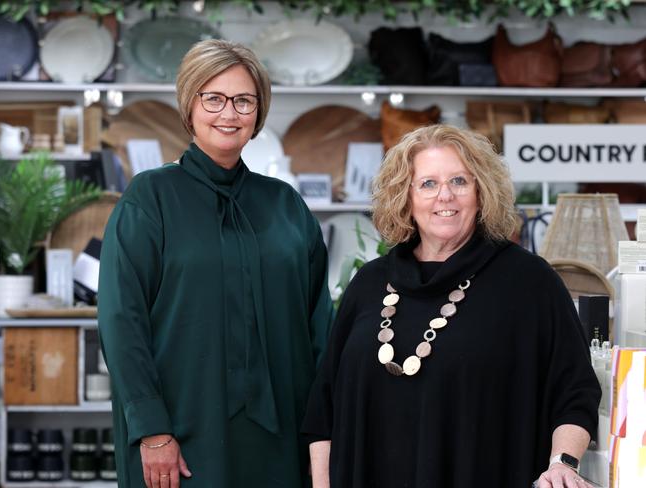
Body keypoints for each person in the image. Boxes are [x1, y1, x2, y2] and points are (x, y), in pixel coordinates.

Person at [302, 124, 601, 488]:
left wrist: (563, 464)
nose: (445, 196)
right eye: (428, 184)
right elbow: (324, 408)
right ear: (405, 196)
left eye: (459, 181)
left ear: (481, 192)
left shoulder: (529, 282)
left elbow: (575, 390)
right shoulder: (368, 283)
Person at [98, 39, 333, 488]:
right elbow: (120, 321)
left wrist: (320, 431)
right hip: (180, 436)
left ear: (259, 113)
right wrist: (151, 430)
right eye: (214, 98)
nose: (229, 113)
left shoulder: (286, 206)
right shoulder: (149, 200)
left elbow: (320, 327)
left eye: (244, 101)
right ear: (190, 107)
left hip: (283, 437)